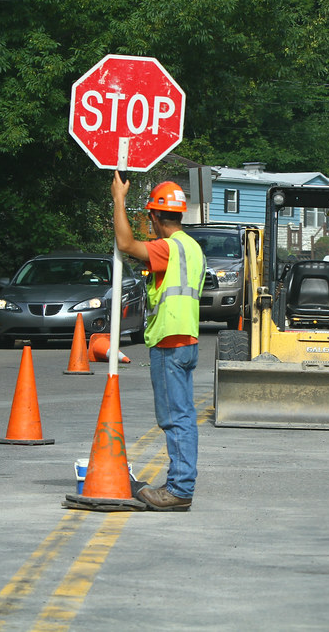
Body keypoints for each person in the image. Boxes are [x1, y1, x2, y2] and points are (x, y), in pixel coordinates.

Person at [112, 171, 205, 512]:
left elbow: (125, 245)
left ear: (154, 216)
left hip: (170, 340)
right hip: (187, 341)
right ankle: (180, 485)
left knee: (175, 418)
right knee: (183, 416)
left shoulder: (169, 248)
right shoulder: (192, 247)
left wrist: (119, 199)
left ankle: (179, 489)